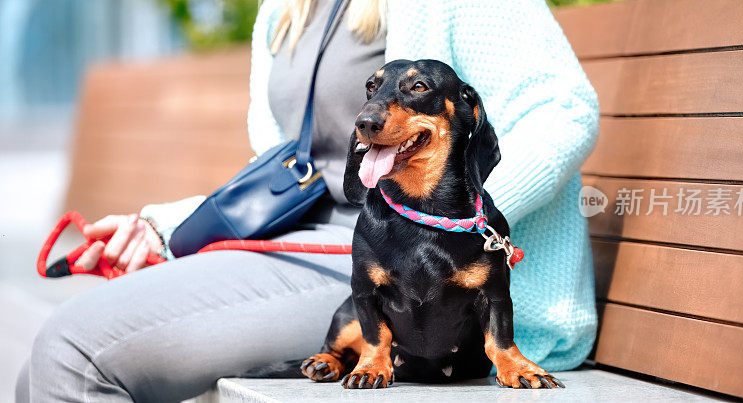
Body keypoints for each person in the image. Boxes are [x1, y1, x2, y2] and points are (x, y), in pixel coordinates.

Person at [16, 0, 599, 401]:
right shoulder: (284, 8)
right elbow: (292, 168)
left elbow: (563, 111)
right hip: (322, 244)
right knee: (70, 345)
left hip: (411, 280)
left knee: (73, 353)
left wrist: (452, 229)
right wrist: (170, 226)